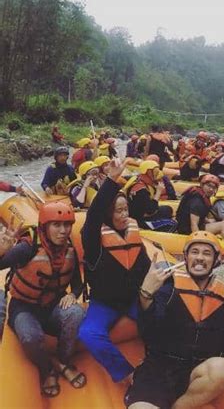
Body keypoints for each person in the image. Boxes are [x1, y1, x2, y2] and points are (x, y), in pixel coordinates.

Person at [125, 231, 224, 408]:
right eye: (195, 252)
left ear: (216, 260)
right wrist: (146, 295)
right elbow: (149, 331)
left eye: (206, 253)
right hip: (158, 370)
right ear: (186, 257)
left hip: (192, 372)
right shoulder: (167, 289)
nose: (200, 258)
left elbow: (217, 326)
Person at [0, 202, 85, 397]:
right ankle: (47, 368)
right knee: (30, 336)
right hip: (24, 308)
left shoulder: (69, 249)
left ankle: (63, 359)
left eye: (67, 225)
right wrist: (1, 250)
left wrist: (73, 295)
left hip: (53, 306)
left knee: (76, 313)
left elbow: (78, 284)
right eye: (56, 225)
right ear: (45, 226)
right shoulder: (26, 247)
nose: (63, 231)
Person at [79, 158, 151, 384]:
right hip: (105, 304)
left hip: (133, 299)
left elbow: (146, 270)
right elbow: (93, 216)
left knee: (164, 315)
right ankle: (127, 374)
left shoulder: (133, 234)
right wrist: (111, 181)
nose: (122, 215)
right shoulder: (93, 239)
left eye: (125, 209)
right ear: (108, 214)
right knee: (88, 333)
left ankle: (162, 358)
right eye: (117, 211)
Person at [123, 160, 174, 230]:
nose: (157, 173)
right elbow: (151, 210)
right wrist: (158, 192)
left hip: (138, 213)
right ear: (149, 172)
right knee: (170, 218)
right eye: (155, 171)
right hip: (140, 220)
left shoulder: (138, 180)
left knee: (167, 209)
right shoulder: (141, 190)